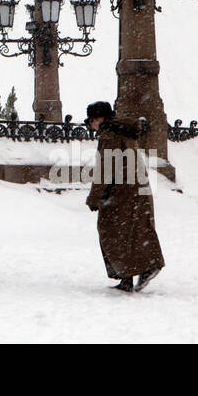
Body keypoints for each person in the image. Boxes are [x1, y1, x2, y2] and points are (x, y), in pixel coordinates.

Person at [84, 101, 165, 292]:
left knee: (111, 231)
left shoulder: (110, 133)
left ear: (99, 118)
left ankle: (143, 269)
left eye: (91, 120)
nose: (91, 124)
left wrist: (95, 197)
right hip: (136, 187)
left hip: (121, 191)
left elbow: (105, 168)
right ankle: (132, 274)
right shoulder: (122, 128)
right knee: (136, 230)